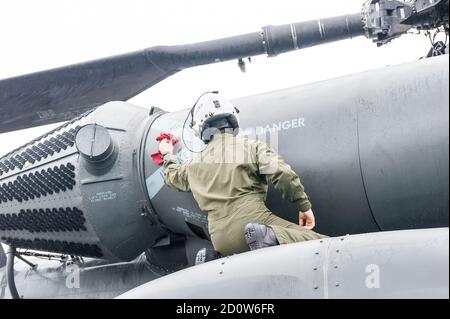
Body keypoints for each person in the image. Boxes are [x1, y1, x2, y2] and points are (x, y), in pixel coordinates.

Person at [159, 92, 326, 257]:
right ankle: (268, 237)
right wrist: (303, 206)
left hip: (219, 240)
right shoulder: (251, 147)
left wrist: (167, 154)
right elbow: (281, 173)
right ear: (232, 118)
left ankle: (212, 258)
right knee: (323, 244)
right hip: (252, 224)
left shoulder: (192, 165)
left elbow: (172, 177)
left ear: (201, 128)